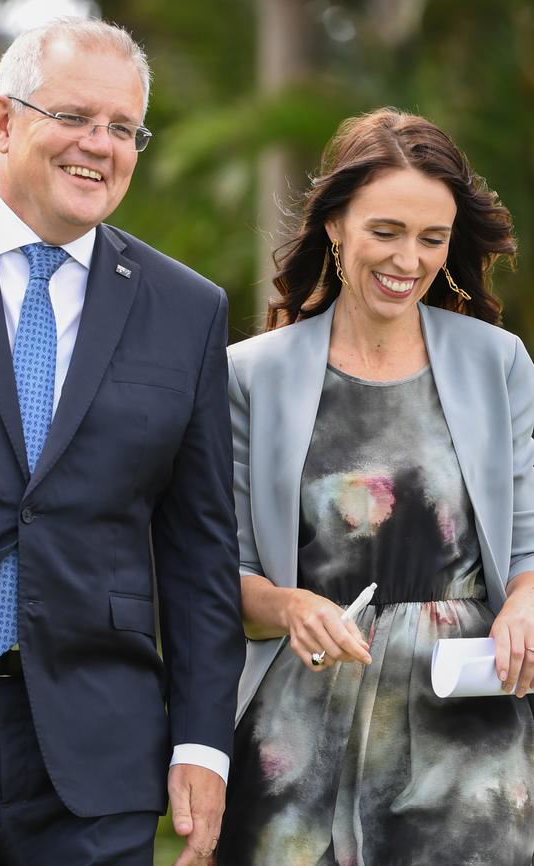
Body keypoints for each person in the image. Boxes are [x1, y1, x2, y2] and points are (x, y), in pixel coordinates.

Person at [0, 17, 244, 866]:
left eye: (124, 129)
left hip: (96, 750)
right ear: (3, 121)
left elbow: (199, 554)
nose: (100, 145)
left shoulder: (187, 310)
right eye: (76, 117)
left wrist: (201, 745)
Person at [217, 108, 534, 866]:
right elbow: (212, 571)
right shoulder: (250, 375)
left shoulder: (500, 362)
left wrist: (524, 600)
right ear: (335, 224)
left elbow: (528, 539)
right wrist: (289, 605)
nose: (409, 259)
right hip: (296, 736)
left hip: (470, 738)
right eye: (385, 231)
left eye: (432, 238)